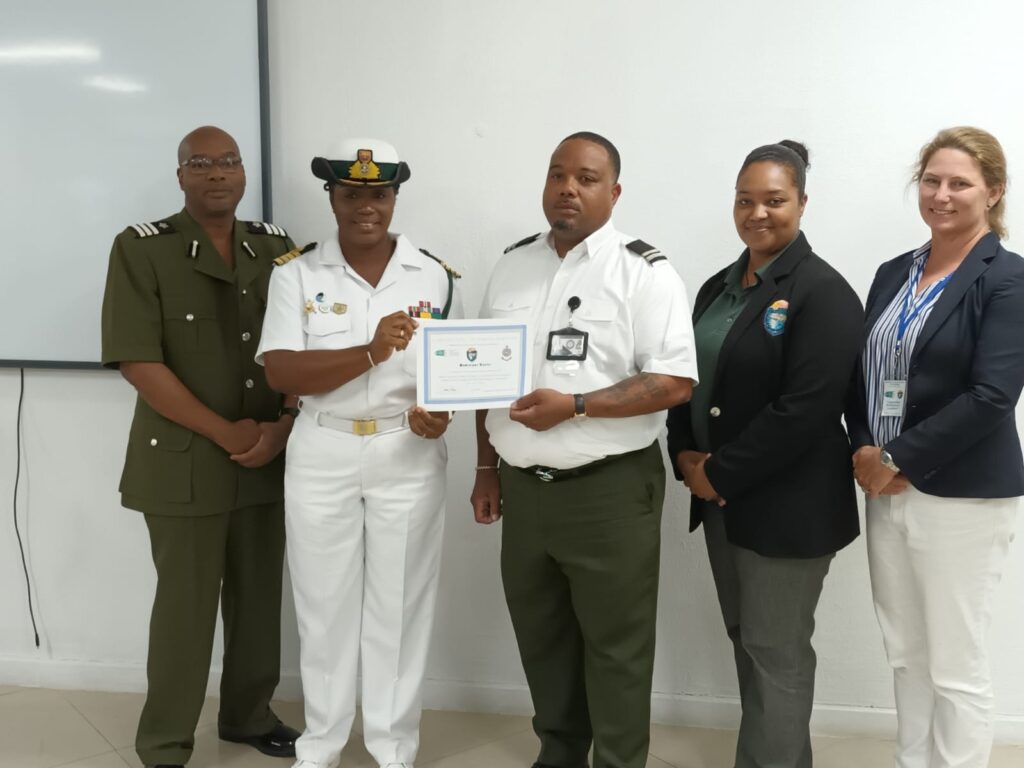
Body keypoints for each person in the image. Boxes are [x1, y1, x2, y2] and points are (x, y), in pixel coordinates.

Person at [471, 131, 697, 768]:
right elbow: (482, 376)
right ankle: (560, 754)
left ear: (614, 192)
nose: (568, 188)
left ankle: (619, 761)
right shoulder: (511, 266)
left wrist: (575, 405)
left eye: (587, 178)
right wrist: (486, 468)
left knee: (616, 647)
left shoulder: (643, 271)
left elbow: (674, 382)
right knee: (541, 638)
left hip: (609, 491)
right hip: (523, 488)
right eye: (557, 174)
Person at [257, 138, 462, 768]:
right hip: (324, 447)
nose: (365, 206)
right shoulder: (296, 273)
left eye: (379, 193)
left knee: (399, 606)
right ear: (332, 198)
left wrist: (441, 414)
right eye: (351, 193)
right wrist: (371, 352)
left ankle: (392, 747)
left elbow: (450, 373)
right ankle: (320, 744)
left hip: (406, 451)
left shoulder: (433, 275)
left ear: (394, 197)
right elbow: (281, 371)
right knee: (324, 606)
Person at [100, 125, 301, 768]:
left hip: (267, 454)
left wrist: (283, 424)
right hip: (183, 462)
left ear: (243, 173)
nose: (217, 173)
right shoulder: (142, 249)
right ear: (180, 175)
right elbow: (138, 361)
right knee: (185, 611)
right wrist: (226, 431)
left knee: (259, 601)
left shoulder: (276, 248)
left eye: (229, 161)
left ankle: (248, 716)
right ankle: (165, 742)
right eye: (201, 163)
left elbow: (301, 347)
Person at [666, 141, 863, 768]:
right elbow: (684, 378)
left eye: (774, 200)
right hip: (720, 501)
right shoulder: (716, 289)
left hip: (787, 509)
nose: (757, 213)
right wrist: (683, 454)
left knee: (776, 652)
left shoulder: (824, 292)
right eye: (745, 200)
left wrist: (718, 473)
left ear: (802, 203)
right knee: (747, 640)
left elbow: (806, 410)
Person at [847, 126, 1024, 768]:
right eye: (931, 180)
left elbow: (992, 395)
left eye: (959, 183)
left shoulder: (1008, 278)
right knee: (906, 654)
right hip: (886, 488)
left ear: (993, 192)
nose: (941, 195)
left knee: (955, 665)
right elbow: (863, 375)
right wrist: (867, 451)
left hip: (962, 497)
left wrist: (897, 458)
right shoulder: (893, 272)